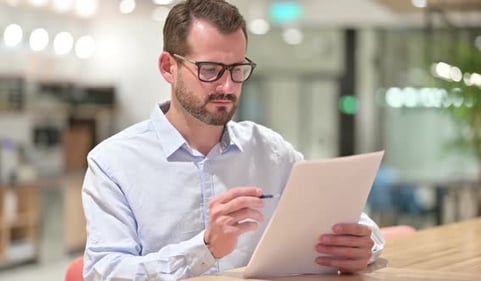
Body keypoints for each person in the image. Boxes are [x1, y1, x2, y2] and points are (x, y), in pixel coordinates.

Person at [82, 0, 384, 280]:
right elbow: (102, 272)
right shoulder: (112, 163)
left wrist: (362, 245)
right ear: (167, 68)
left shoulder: (270, 150)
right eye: (210, 70)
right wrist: (204, 248)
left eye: (237, 70)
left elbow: (348, 219)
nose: (227, 86)